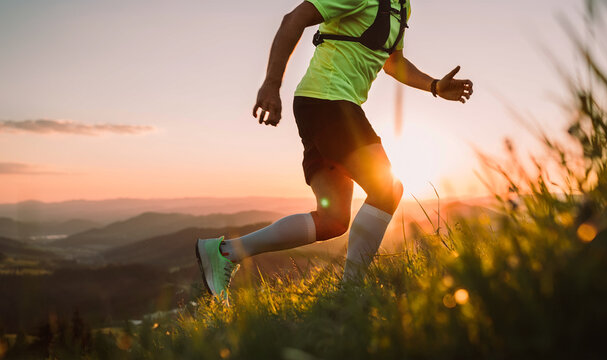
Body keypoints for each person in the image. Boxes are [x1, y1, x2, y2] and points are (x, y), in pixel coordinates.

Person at [196, 0, 473, 300]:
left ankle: (225, 252)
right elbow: (295, 18)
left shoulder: (402, 6)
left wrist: (434, 86)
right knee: (388, 189)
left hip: (329, 105)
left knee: (333, 220)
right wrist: (272, 84)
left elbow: (392, 61)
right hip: (328, 101)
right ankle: (350, 293)